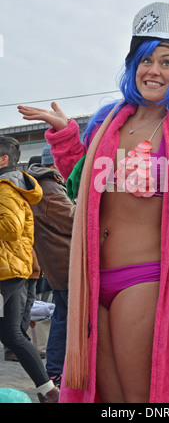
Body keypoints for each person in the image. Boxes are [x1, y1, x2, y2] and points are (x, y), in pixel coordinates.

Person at [18, 2, 169, 404]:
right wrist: (66, 135)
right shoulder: (107, 123)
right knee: (107, 398)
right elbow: (84, 181)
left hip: (145, 279)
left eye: (167, 61)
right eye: (146, 58)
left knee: (141, 399)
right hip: (92, 281)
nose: (153, 69)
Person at [0, 136, 59, 403]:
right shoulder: (15, 186)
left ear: (3, 160)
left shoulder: (4, 187)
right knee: (13, 334)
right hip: (16, 269)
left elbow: (10, 229)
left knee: (13, 334)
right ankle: (48, 390)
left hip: (6, 270)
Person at [27, 143, 76, 388]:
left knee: (62, 317)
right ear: (56, 162)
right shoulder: (49, 187)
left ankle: (56, 372)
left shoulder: (43, 184)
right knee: (67, 319)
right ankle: (57, 371)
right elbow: (73, 220)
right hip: (66, 262)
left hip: (58, 263)